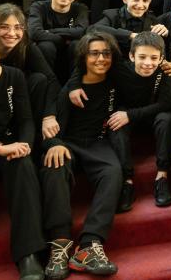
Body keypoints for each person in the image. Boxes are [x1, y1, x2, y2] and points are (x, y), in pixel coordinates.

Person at [39, 32, 121, 277]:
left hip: (98, 143)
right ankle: (60, 244)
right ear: (84, 58)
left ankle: (90, 245)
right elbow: (51, 127)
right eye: (94, 53)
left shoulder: (116, 80)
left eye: (106, 53)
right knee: (54, 165)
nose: (101, 58)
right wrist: (54, 143)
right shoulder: (69, 90)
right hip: (69, 142)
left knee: (113, 170)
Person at [68, 32, 171, 212]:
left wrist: (130, 115)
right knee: (115, 124)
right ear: (131, 55)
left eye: (154, 58)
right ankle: (127, 182)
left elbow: (165, 104)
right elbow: (83, 62)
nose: (148, 63)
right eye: (142, 57)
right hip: (126, 116)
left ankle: (162, 177)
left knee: (166, 119)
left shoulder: (165, 71)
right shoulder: (120, 68)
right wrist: (73, 84)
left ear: (161, 58)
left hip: (151, 115)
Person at [0, 27, 47, 280]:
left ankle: (29, 256)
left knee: (24, 165)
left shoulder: (14, 75)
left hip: (6, 146)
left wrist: (24, 146)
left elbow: (26, 119)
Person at [0, 3, 60, 152]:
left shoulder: (26, 47)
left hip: (20, 104)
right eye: (4, 26)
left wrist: (49, 116)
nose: (11, 33)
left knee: (39, 79)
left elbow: (52, 80)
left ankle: (33, 136)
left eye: (17, 27)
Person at [28, 0, 88, 83]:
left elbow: (81, 31)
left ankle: (74, 86)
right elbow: (34, 33)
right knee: (46, 46)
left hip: (71, 57)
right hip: (45, 59)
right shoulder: (38, 7)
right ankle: (48, 87)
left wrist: (49, 32)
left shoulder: (80, 9)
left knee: (76, 45)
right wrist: (63, 39)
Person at [90, 0, 167, 55]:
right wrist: (130, 35)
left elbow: (162, 52)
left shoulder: (153, 20)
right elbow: (93, 29)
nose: (140, 5)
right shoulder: (113, 15)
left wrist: (165, 34)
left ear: (150, 1)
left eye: (145, 0)